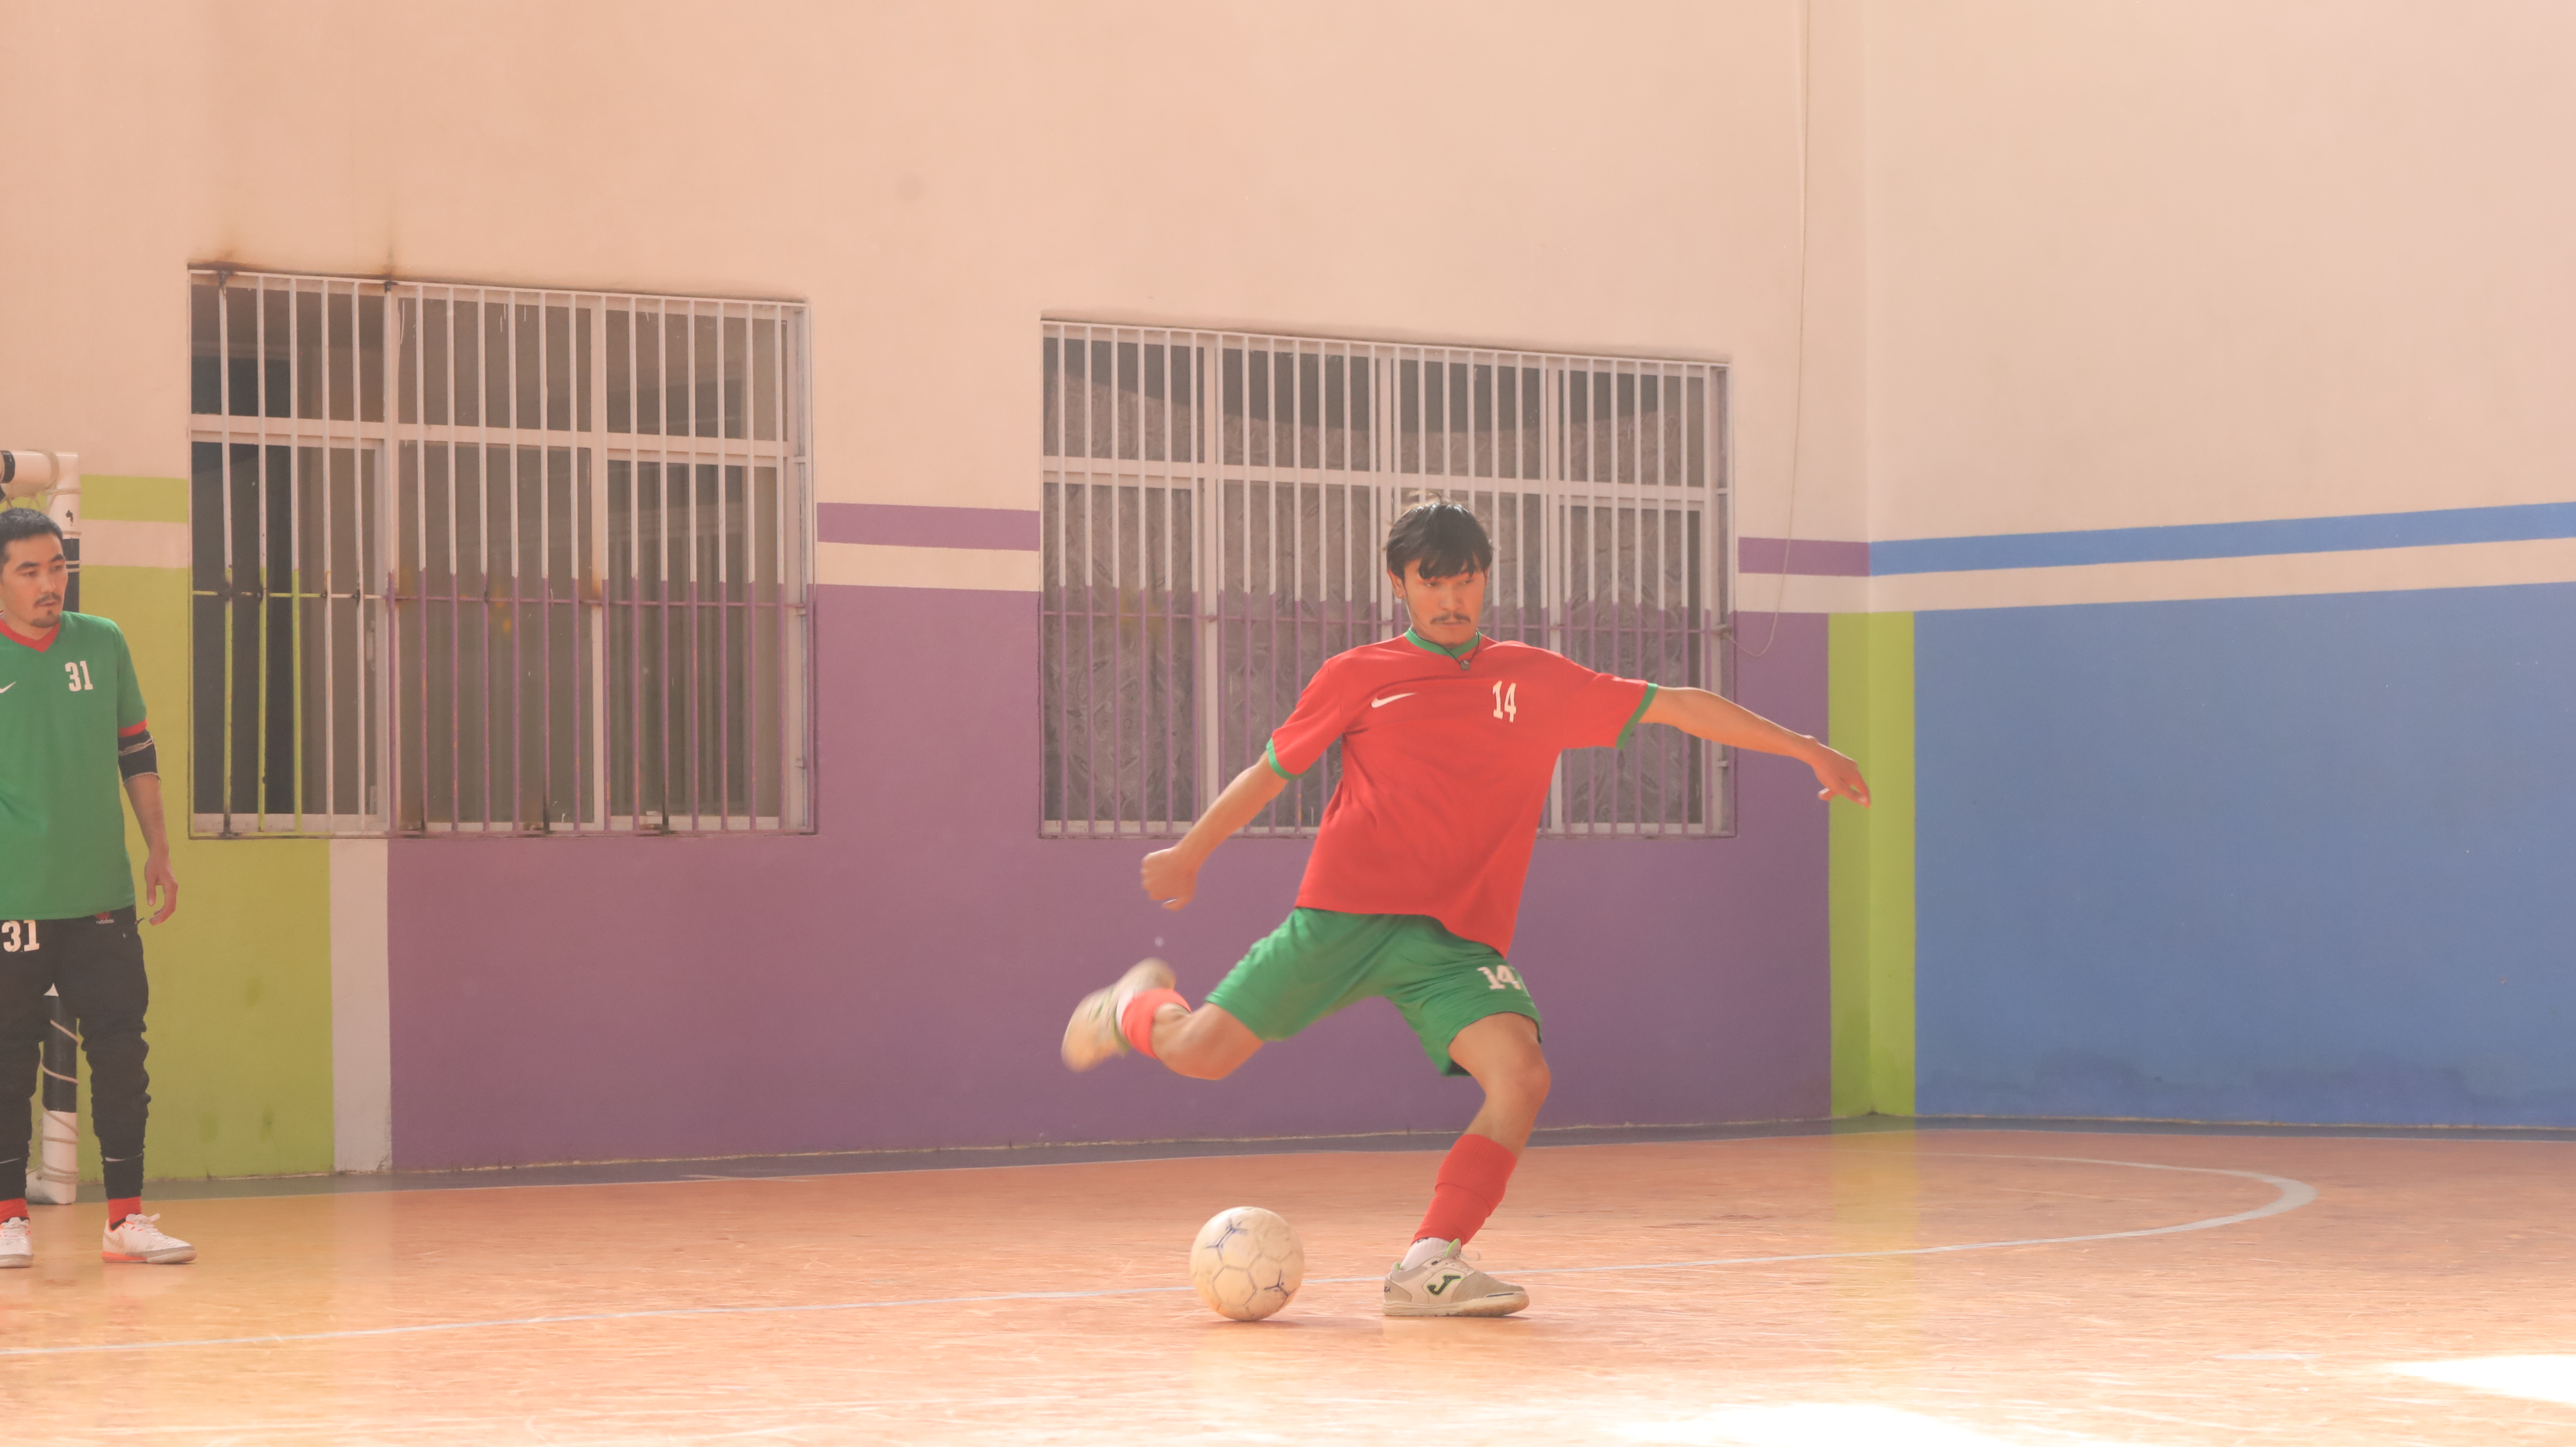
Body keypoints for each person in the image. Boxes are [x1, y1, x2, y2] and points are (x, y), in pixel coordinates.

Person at [1060, 501, 1867, 1317]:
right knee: (1199, 1053)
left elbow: (1680, 704)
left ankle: (1429, 1262)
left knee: (1522, 1075)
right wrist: (1191, 852)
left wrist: (1807, 748)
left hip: (1453, 943)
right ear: (1399, 585)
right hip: (1342, 918)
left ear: (1486, 580)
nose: (1451, 599)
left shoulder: (1538, 680)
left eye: (1466, 580)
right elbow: (1271, 772)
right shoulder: (1357, 675)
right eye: (1432, 582)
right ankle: (1131, 1009)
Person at [0, 506, 192, 1267]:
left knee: (120, 1053)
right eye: (30, 570)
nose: (50, 583)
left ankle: (125, 1221)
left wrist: (158, 850)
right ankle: (7, 1217)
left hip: (102, 898)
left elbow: (135, 750)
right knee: (7, 1057)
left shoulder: (103, 642)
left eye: (58, 566)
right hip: (13, 900)